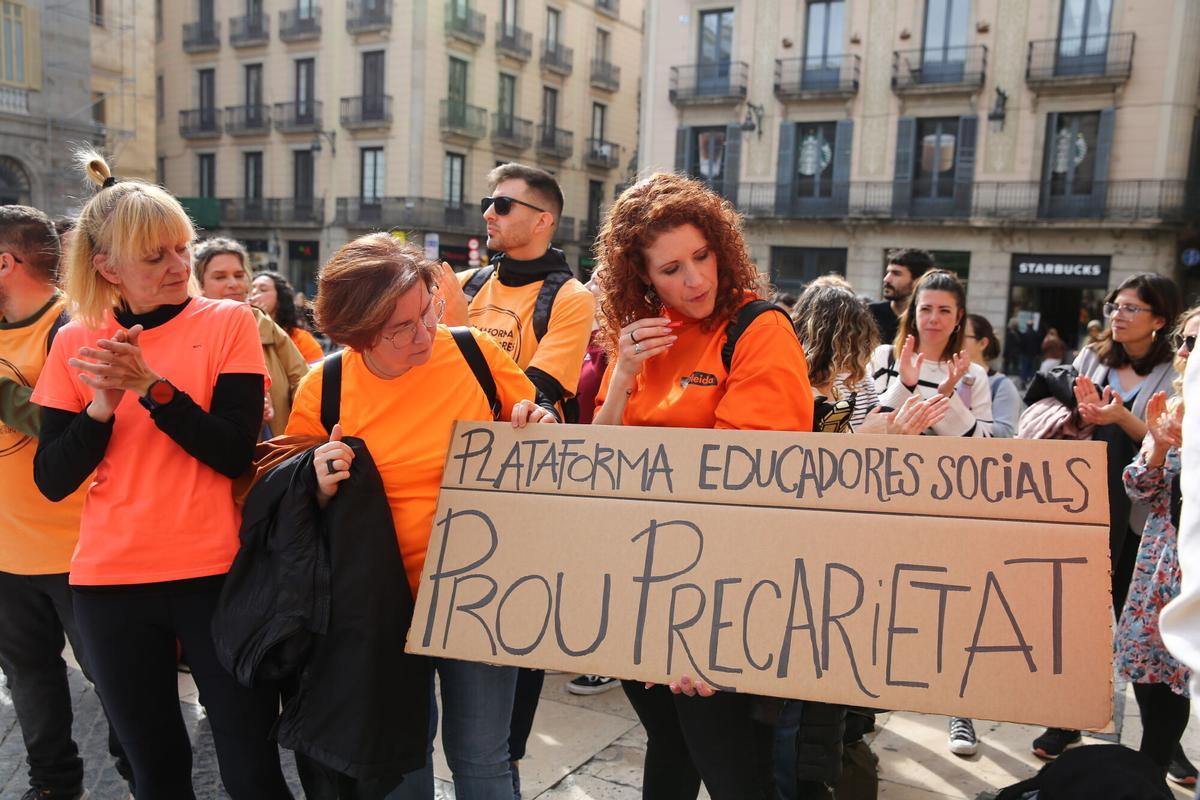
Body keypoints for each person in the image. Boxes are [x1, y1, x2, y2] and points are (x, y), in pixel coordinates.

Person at [30, 150, 292, 800]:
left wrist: (154, 388)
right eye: (157, 257)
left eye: (182, 248)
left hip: (217, 578)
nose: (180, 267)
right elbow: (52, 479)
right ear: (106, 266)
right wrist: (100, 406)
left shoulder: (229, 322)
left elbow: (234, 451)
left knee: (253, 774)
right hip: (108, 585)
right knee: (157, 776)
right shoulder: (72, 341)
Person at [280, 234, 556, 800]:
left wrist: (538, 419)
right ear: (355, 336)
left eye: (426, 311)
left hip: (478, 593)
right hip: (379, 611)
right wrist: (320, 482)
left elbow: (536, 430)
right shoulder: (323, 386)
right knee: (400, 762)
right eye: (399, 328)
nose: (424, 333)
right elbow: (293, 508)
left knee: (483, 757)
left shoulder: (476, 352)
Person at [593, 172, 814, 799]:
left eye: (701, 256)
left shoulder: (759, 328)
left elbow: (750, 486)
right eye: (669, 269)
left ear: (721, 245)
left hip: (716, 591)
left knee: (729, 767)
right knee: (670, 745)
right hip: (638, 578)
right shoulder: (642, 335)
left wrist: (696, 622)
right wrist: (620, 375)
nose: (694, 280)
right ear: (641, 278)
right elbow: (596, 462)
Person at [440, 163, 594, 795]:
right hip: (450, 484)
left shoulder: (570, 296)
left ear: (543, 219)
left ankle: (502, 767)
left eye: (502, 205)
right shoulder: (474, 281)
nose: (489, 215)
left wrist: (457, 327)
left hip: (521, 496)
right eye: (487, 203)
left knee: (512, 647)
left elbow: (535, 397)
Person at [0, 205, 130, 800]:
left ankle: (141, 777)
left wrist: (4, 395)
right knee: (28, 678)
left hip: (80, 547)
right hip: (7, 551)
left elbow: (79, 428)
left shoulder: (76, 327)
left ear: (6, 262)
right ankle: (54, 785)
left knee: (117, 683)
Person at [1032, 272, 1182, 762]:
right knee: (1083, 621)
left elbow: (1166, 439)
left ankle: (1164, 745)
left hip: (1146, 524)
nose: (1117, 315)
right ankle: (1065, 720)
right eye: (1114, 306)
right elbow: (1072, 414)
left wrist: (1120, 418)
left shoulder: (1173, 369)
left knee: (1149, 637)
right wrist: (1085, 414)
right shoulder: (1094, 355)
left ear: (1159, 320)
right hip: (1088, 509)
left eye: (1131, 308)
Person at [869, 269, 992, 758]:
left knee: (952, 604)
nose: (935, 318)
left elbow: (984, 448)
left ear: (959, 316)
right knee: (882, 598)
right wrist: (904, 383)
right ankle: (866, 700)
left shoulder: (975, 375)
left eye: (945, 310)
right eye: (926, 308)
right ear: (911, 311)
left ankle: (958, 708)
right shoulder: (883, 357)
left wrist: (948, 397)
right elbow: (870, 425)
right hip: (888, 500)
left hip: (948, 507)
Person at [1114, 305, 1200, 784]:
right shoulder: (1174, 405)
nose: (1185, 351)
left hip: (1194, 565)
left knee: (1183, 676)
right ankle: (1154, 764)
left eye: (1196, 342)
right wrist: (1163, 446)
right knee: (1154, 674)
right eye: (1184, 341)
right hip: (1160, 566)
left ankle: (1158, 761)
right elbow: (1138, 487)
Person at [195, 238, 309, 434]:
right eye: (220, 277)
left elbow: (304, 385)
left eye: (239, 275)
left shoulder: (267, 326)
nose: (233, 284)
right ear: (200, 284)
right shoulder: (190, 332)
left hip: (272, 454)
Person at [964, 314, 1020, 438]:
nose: (954, 342)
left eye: (962, 337)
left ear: (983, 343)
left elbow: (1004, 432)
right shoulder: (944, 376)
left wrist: (960, 420)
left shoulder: (1001, 385)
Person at [250, 270, 325, 363]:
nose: (253, 293)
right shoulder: (240, 333)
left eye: (263, 289)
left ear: (280, 298)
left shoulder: (300, 338)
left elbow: (317, 375)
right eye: (251, 288)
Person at [867, 248, 934, 344]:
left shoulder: (928, 320)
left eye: (896, 274)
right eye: (888, 272)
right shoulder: (870, 313)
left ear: (918, 281)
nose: (887, 279)